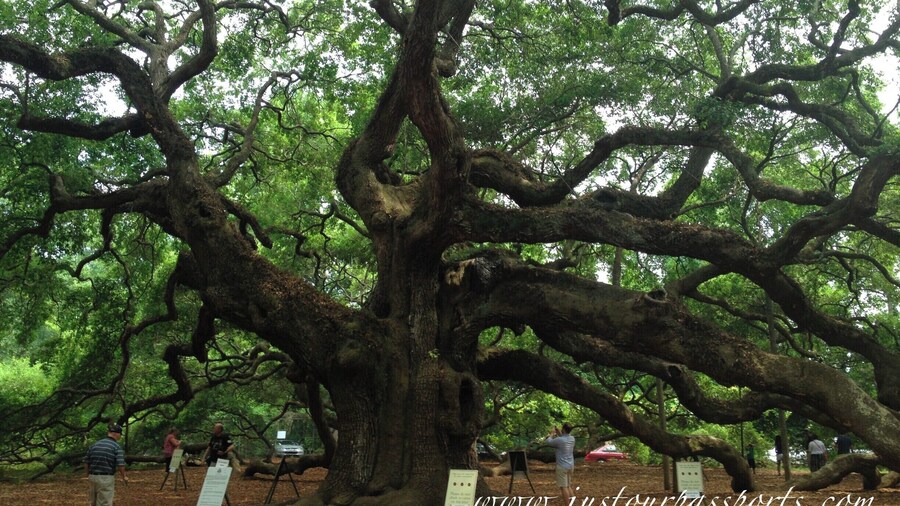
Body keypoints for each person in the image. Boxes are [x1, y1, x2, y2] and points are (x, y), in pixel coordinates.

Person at [84, 423, 128, 506]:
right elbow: (120, 464)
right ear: (116, 434)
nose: (120, 436)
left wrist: (87, 475)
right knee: (104, 503)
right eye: (120, 434)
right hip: (106, 478)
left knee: (93, 503)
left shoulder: (95, 445)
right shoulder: (116, 447)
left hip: (92, 477)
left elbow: (86, 461)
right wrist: (124, 476)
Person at [545, 423, 576, 503]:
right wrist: (559, 433)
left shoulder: (560, 440)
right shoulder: (572, 439)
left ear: (564, 429)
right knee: (568, 486)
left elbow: (548, 441)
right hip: (570, 465)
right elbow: (563, 439)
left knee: (563, 487)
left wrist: (552, 433)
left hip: (562, 466)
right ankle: (573, 503)